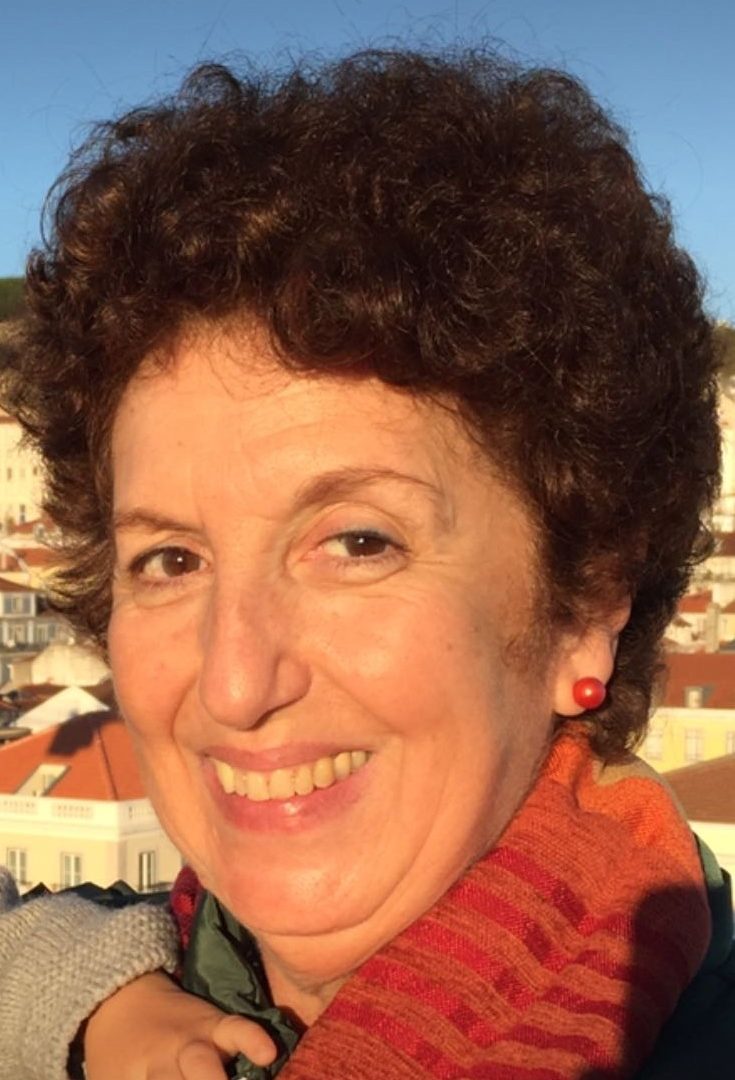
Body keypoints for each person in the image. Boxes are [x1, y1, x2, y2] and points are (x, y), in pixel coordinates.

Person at [0, 46, 729, 1080]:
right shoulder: (126, 991)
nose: (235, 682)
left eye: (357, 542)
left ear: (583, 608)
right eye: (170, 558)